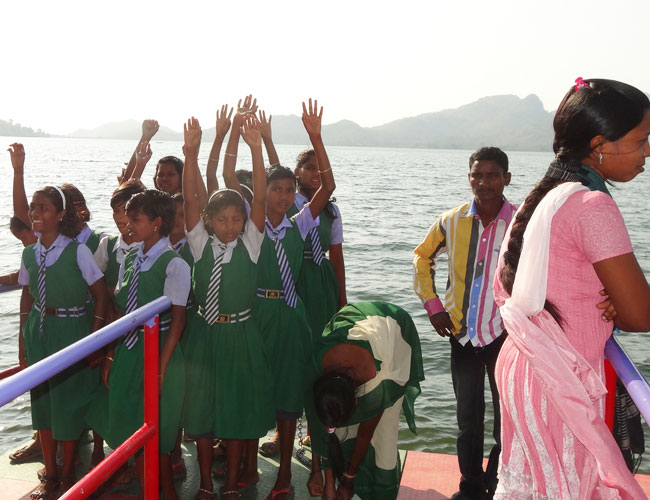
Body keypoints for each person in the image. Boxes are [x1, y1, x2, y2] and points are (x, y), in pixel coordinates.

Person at [493, 78, 650, 499]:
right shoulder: (592, 206)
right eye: (641, 140)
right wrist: (622, 301)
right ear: (599, 144)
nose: (648, 152)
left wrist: (617, 298)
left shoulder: (539, 200)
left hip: (525, 370)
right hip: (559, 384)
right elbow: (640, 315)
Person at [231, 98, 335, 500]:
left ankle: (285, 475)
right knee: (254, 390)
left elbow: (327, 188)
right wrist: (252, 146)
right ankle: (248, 465)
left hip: (291, 317)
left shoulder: (299, 224)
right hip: (257, 314)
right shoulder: (252, 226)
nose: (284, 195)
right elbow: (233, 179)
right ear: (264, 192)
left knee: (290, 396)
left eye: (290, 190)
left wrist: (316, 138)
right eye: (276, 189)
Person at [413, 147, 517, 499]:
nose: (484, 183)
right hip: (462, 335)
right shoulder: (451, 221)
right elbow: (422, 257)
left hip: (506, 337)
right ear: (469, 177)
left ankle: (499, 482)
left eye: (492, 175)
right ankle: (471, 484)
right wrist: (433, 306)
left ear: (506, 178)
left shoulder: (521, 223)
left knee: (507, 419)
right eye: (477, 175)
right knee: (468, 419)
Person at [181, 116, 274, 500]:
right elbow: (190, 199)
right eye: (222, 220)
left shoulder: (250, 244)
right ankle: (205, 483)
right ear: (209, 221)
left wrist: (256, 149)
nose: (230, 226)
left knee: (236, 414)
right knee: (202, 413)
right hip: (205, 335)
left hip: (240, 335)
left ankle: (232, 483)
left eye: (236, 219)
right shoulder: (200, 244)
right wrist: (190, 153)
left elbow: (261, 200)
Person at [89, 189, 190, 500]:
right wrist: (110, 355)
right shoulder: (131, 257)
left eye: (135, 219)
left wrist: (161, 369)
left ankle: (164, 491)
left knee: (158, 425)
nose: (128, 225)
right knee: (129, 421)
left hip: (159, 350)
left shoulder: (174, 264)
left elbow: (178, 320)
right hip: (129, 349)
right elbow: (121, 311)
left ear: (157, 222)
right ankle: (151, 489)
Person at [18, 185, 108, 499]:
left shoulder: (77, 251)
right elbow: (27, 295)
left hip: (71, 329)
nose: (35, 213)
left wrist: (94, 339)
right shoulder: (29, 253)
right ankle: (51, 473)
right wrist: (23, 339)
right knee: (42, 402)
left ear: (60, 214)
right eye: (33, 207)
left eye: (43, 208)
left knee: (68, 402)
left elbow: (100, 294)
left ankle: (68, 472)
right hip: (40, 330)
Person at [305, 302, 424, 500]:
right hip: (356, 327)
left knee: (384, 437)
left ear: (356, 401)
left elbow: (365, 432)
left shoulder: (377, 380)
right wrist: (321, 476)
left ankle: (380, 489)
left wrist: (348, 479)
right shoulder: (314, 368)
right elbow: (319, 427)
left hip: (393, 340)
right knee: (339, 432)